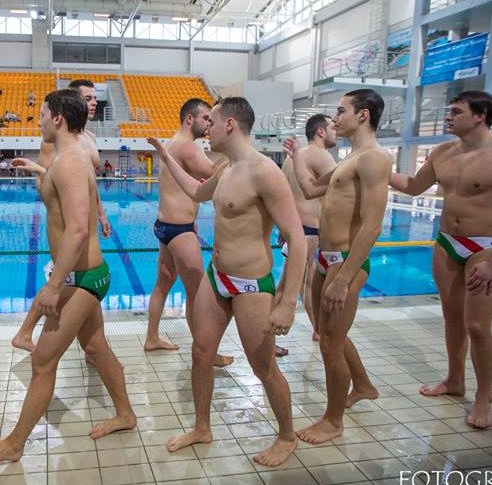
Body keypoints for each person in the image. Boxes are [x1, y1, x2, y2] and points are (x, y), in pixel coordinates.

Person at [0, 89, 136, 463]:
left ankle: (14, 445)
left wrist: (52, 284)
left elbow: (78, 229)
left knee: (43, 361)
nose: (39, 120)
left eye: (42, 114)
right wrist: (39, 171)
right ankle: (126, 414)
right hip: (83, 277)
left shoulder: (71, 162)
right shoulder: (65, 161)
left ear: (58, 118)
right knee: (95, 347)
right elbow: (69, 195)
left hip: (82, 279)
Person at [147, 96, 306, 467]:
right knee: (201, 354)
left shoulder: (265, 172)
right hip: (216, 277)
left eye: (212, 122)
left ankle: (286, 436)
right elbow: (194, 191)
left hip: (251, 285)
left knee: (263, 368)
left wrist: (286, 302)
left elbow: (297, 239)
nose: (208, 129)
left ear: (230, 124)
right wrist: (166, 156)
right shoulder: (225, 168)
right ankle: (202, 427)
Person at [390, 90, 492, 429]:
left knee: (477, 326)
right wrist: (372, 165)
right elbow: (414, 186)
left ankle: (484, 397)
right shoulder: (443, 152)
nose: (447, 116)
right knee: (452, 318)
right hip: (447, 242)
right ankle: (454, 380)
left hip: (487, 246)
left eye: (456, 111)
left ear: (480, 115)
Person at [284, 89, 389, 444]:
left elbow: (373, 226)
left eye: (340, 111)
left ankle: (333, 421)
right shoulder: (350, 158)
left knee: (329, 344)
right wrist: (298, 154)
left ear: (363, 115)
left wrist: (344, 279)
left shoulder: (373, 158)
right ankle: (362, 384)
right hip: (328, 260)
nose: (334, 118)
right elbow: (312, 190)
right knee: (332, 337)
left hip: (345, 263)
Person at [10, 79, 112, 354]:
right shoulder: (56, 143)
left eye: (94, 98)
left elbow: (87, 184)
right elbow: (53, 188)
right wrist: (39, 171)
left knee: (92, 336)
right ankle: (27, 332)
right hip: (70, 230)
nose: (93, 103)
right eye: (87, 98)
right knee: (59, 286)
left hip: (84, 232)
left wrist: (100, 213)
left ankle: (94, 354)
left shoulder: (88, 139)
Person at [143, 98, 234, 367]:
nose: (209, 124)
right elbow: (218, 174)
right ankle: (205, 351)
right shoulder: (187, 146)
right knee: (199, 293)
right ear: (189, 119)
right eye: (206, 118)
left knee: (163, 284)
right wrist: (233, 146)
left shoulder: (174, 142)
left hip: (165, 226)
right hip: (179, 230)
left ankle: (152, 337)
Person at [281, 114, 337, 341]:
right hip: (310, 232)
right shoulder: (320, 155)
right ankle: (266, 339)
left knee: (301, 284)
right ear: (321, 131)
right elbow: (342, 187)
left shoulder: (290, 159)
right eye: (332, 126)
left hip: (292, 229)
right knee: (294, 287)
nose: (337, 129)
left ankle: (317, 330)